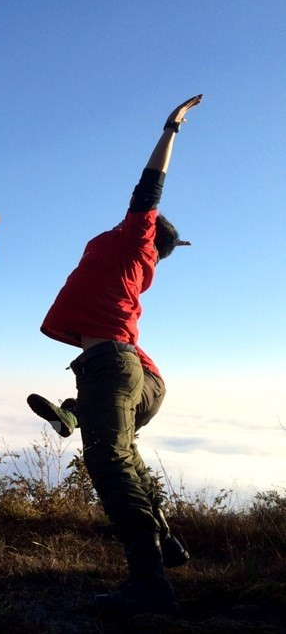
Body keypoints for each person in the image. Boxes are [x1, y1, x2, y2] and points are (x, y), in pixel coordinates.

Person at [36, 95, 202, 615]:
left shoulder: (136, 241)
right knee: (124, 457)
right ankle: (167, 545)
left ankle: (149, 582)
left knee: (106, 463)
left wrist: (169, 129)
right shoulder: (133, 259)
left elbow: (148, 185)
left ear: (152, 235)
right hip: (124, 370)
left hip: (115, 367)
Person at [26, 344, 191, 568]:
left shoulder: (110, 336)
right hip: (151, 386)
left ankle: (148, 575)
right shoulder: (116, 340)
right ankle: (168, 543)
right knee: (126, 454)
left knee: (110, 459)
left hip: (132, 379)